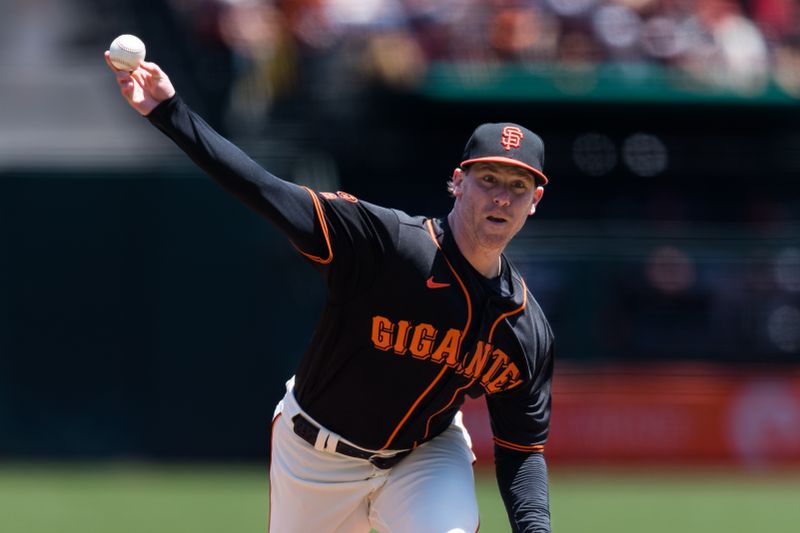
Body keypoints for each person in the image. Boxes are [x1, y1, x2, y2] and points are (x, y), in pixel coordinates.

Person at [105, 50, 554, 533]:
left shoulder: (523, 328)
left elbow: (522, 452)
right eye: (488, 180)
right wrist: (170, 113)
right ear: (458, 183)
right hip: (315, 459)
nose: (502, 197)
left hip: (423, 457)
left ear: (535, 201)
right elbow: (264, 189)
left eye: (518, 185)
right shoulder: (385, 244)